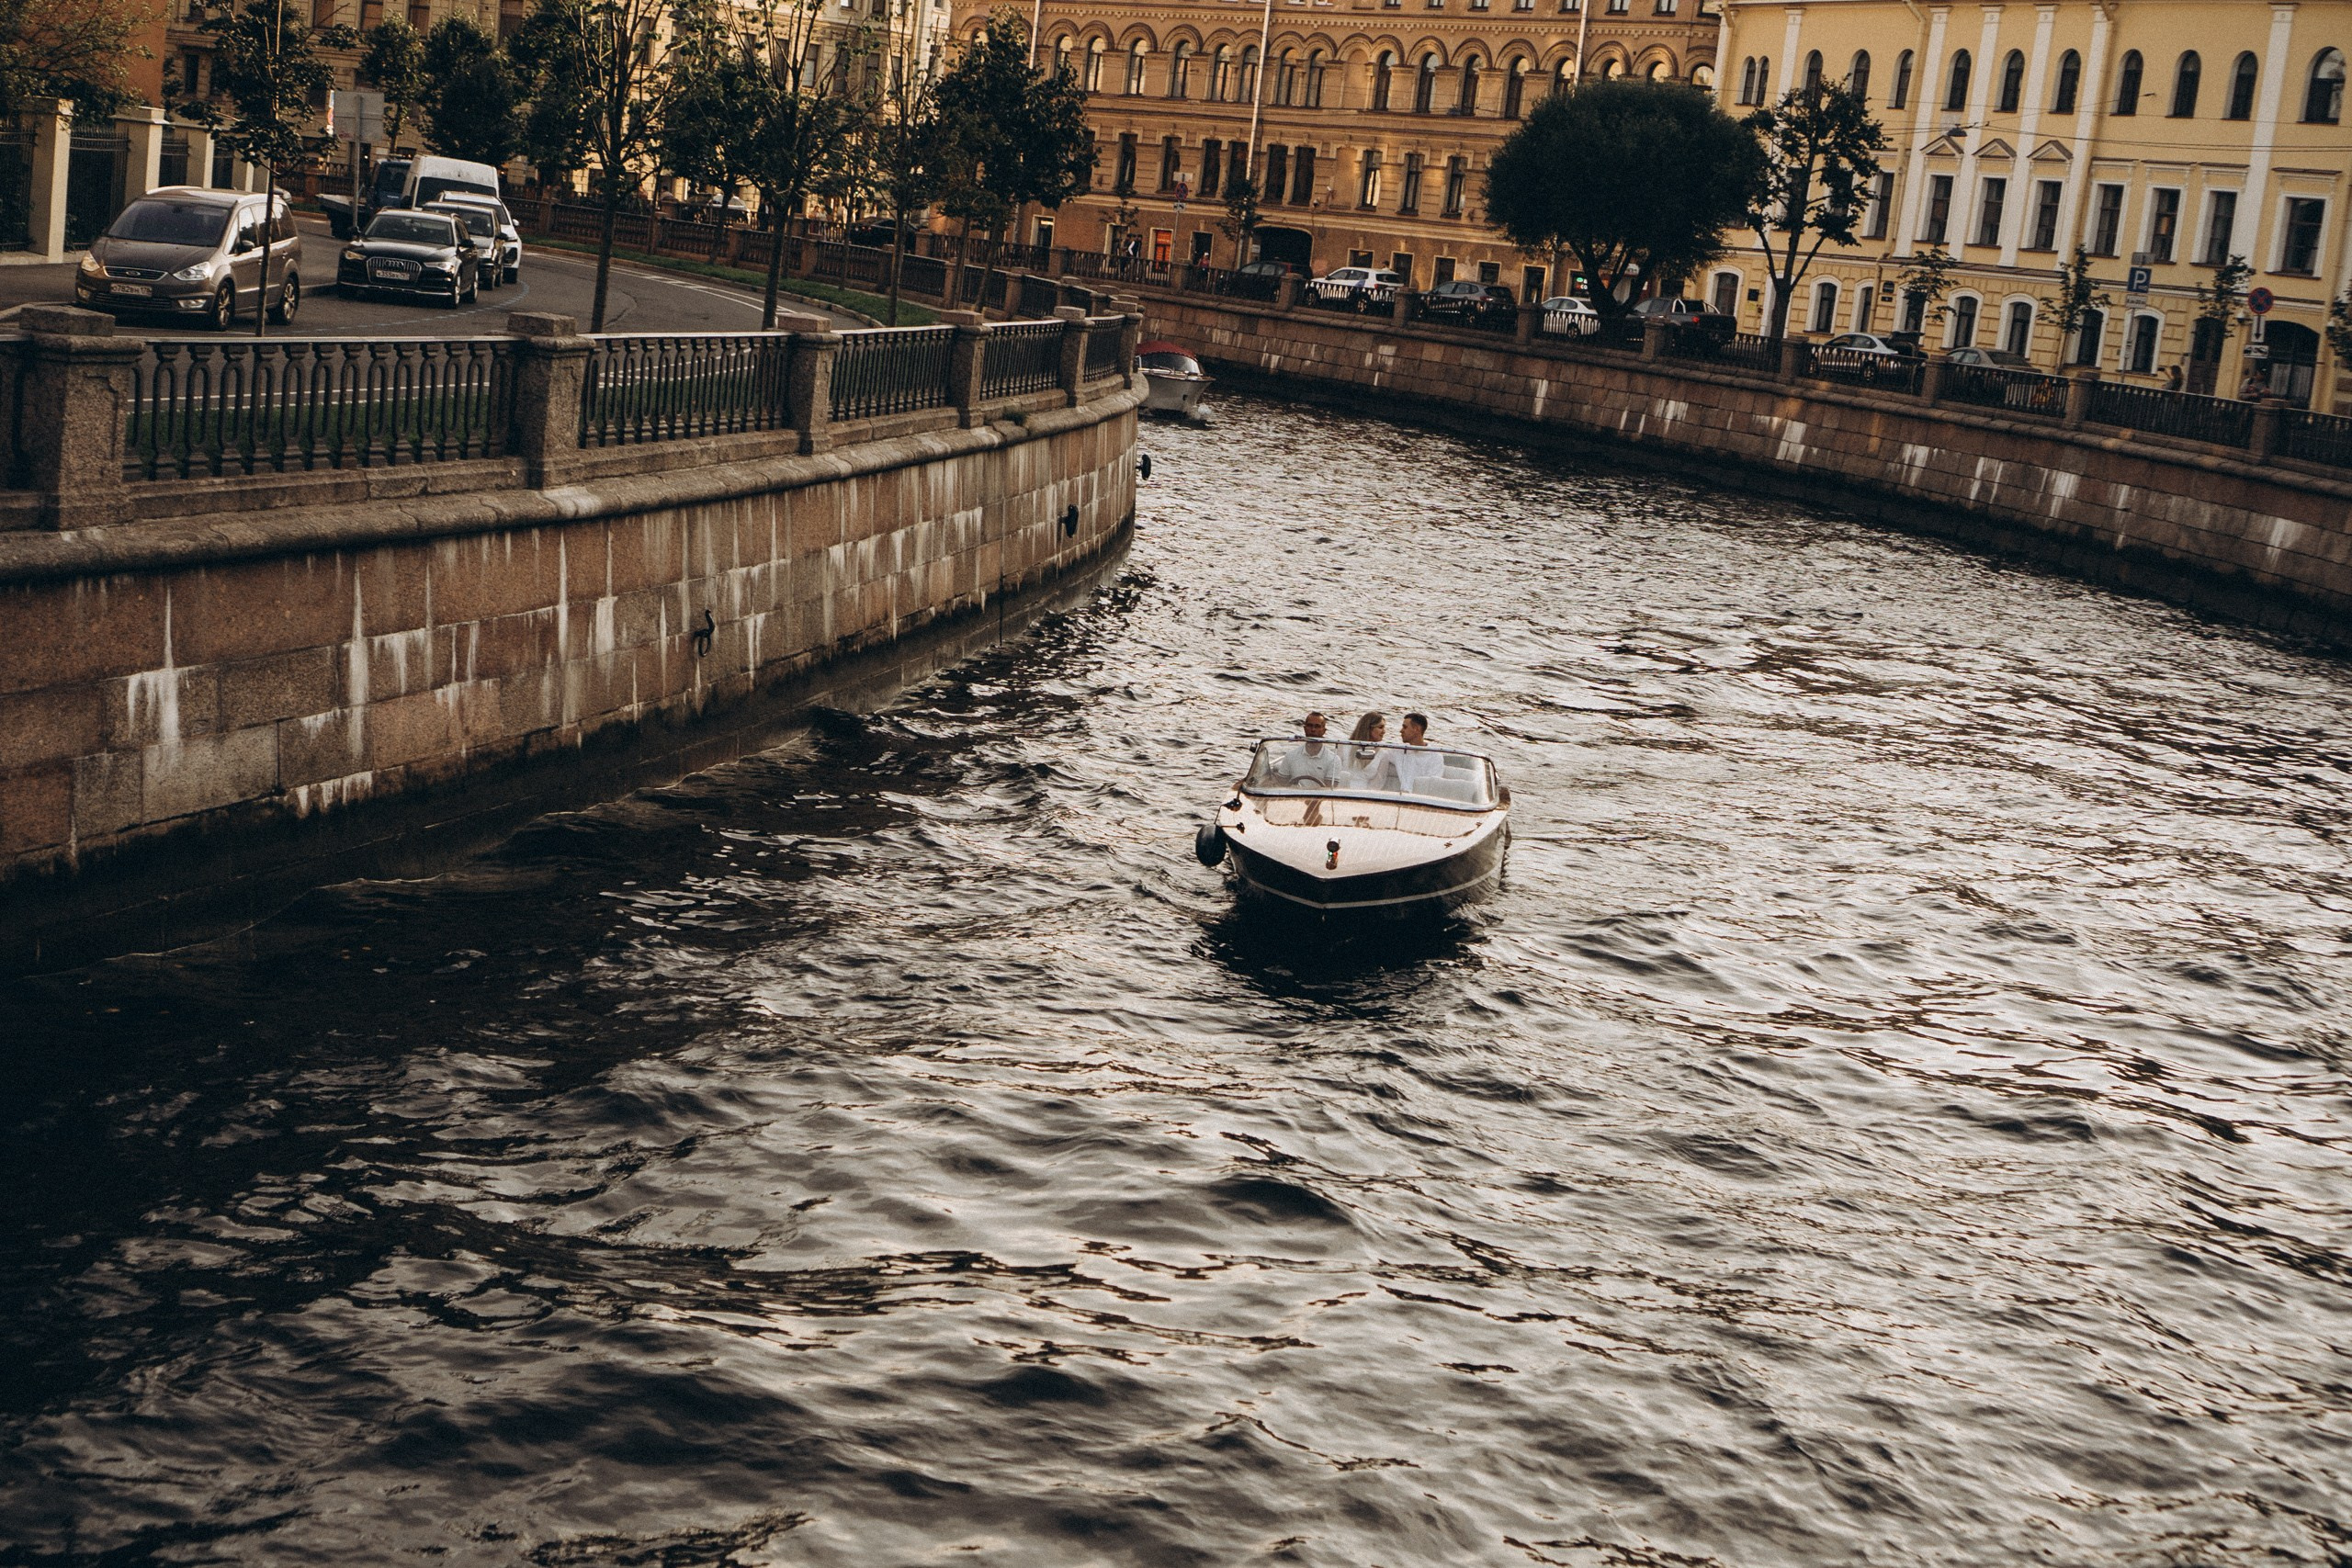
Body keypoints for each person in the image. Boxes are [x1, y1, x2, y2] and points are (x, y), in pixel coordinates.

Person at [1274, 712, 1341, 786]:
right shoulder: (1290, 756)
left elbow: (1330, 789)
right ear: (1304, 728)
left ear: (1324, 731)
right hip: (1294, 793)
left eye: (1317, 726)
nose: (1313, 729)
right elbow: (1281, 784)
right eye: (1310, 725)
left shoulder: (1334, 760)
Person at [1394, 712, 1446, 793]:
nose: (1401, 731)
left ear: (1416, 729)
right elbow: (1380, 753)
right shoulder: (1399, 751)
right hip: (1400, 797)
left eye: (1405, 727)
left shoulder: (1436, 757)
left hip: (1420, 798)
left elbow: (1431, 787)